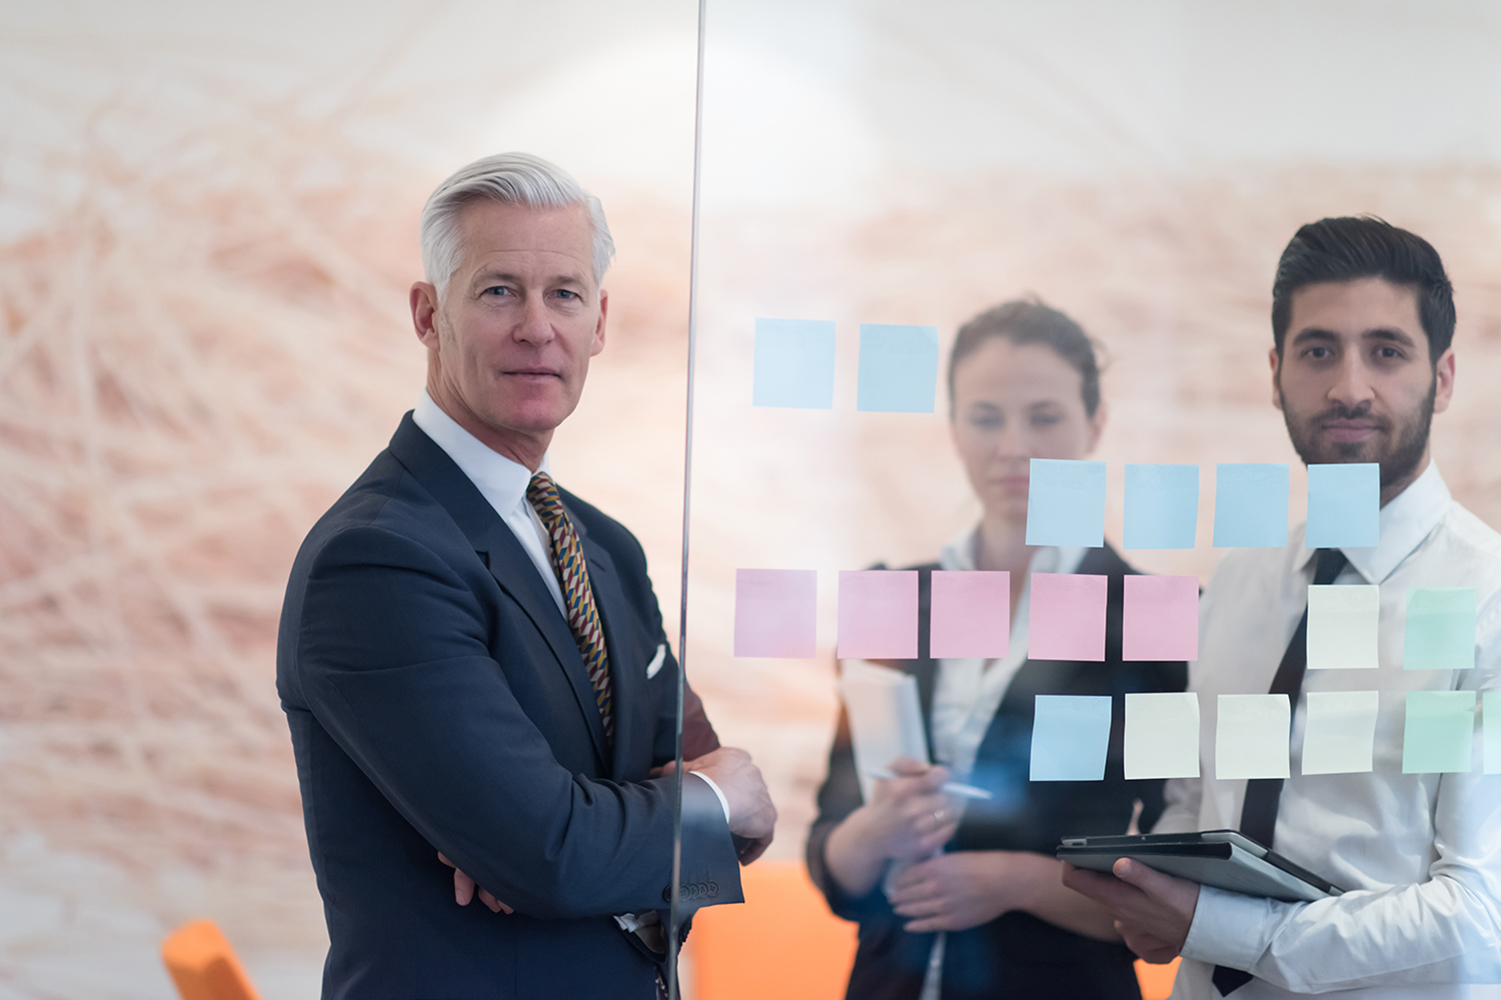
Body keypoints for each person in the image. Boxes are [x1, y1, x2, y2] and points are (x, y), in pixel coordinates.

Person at [276, 152, 775, 1000]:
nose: (537, 328)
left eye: (565, 295)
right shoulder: (377, 559)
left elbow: (716, 816)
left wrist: (610, 838)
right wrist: (696, 808)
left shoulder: (602, 546)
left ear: (601, 322)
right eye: (499, 290)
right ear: (428, 314)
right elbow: (557, 854)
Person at [1063, 217, 1501, 998]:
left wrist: (1215, 927)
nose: (1348, 387)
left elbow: (1479, 915)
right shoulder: (1239, 582)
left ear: (1441, 377)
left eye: (1386, 351)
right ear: (1275, 374)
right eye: (1317, 350)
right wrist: (1145, 885)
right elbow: (1197, 798)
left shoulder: (1486, 602)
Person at [806, 299, 1188, 1000]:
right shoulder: (890, 599)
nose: (1012, 445)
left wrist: (1017, 882)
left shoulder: (1150, 616)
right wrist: (874, 829)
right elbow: (833, 863)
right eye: (985, 417)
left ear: (1093, 425)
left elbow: (1175, 895)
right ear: (953, 427)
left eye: (1042, 416)